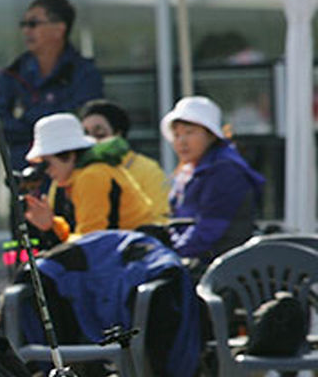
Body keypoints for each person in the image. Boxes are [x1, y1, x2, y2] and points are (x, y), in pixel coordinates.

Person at [0, 0, 104, 171]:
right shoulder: (12, 74)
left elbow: (84, 124)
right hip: (25, 177)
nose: (26, 30)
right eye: (24, 24)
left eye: (33, 24)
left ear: (59, 29)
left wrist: (28, 123)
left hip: (71, 176)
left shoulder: (84, 73)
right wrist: (48, 125)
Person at [161, 96, 265, 266]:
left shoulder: (225, 170)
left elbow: (208, 229)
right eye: (177, 134)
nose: (181, 141)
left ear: (211, 135)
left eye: (189, 132)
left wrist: (170, 254)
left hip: (221, 267)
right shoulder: (189, 170)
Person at [22, 113, 156, 243]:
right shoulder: (70, 180)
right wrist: (50, 225)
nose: (46, 171)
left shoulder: (92, 176)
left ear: (67, 155)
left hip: (137, 252)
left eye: (47, 163)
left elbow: (90, 241)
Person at [78, 99, 170, 221]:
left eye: (99, 133)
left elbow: (159, 218)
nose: (92, 141)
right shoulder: (76, 169)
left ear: (118, 133)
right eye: (86, 134)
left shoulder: (147, 170)